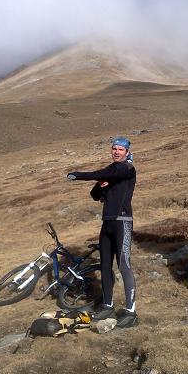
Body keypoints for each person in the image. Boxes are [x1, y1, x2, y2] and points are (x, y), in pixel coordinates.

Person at [66, 137, 138, 328]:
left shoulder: (126, 168)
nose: (116, 152)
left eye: (120, 149)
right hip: (107, 223)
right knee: (105, 266)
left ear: (127, 152)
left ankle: (131, 312)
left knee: (124, 265)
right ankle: (108, 305)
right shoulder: (111, 171)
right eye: (114, 148)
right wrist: (100, 184)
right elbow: (94, 195)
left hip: (122, 222)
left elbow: (104, 173)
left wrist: (79, 175)